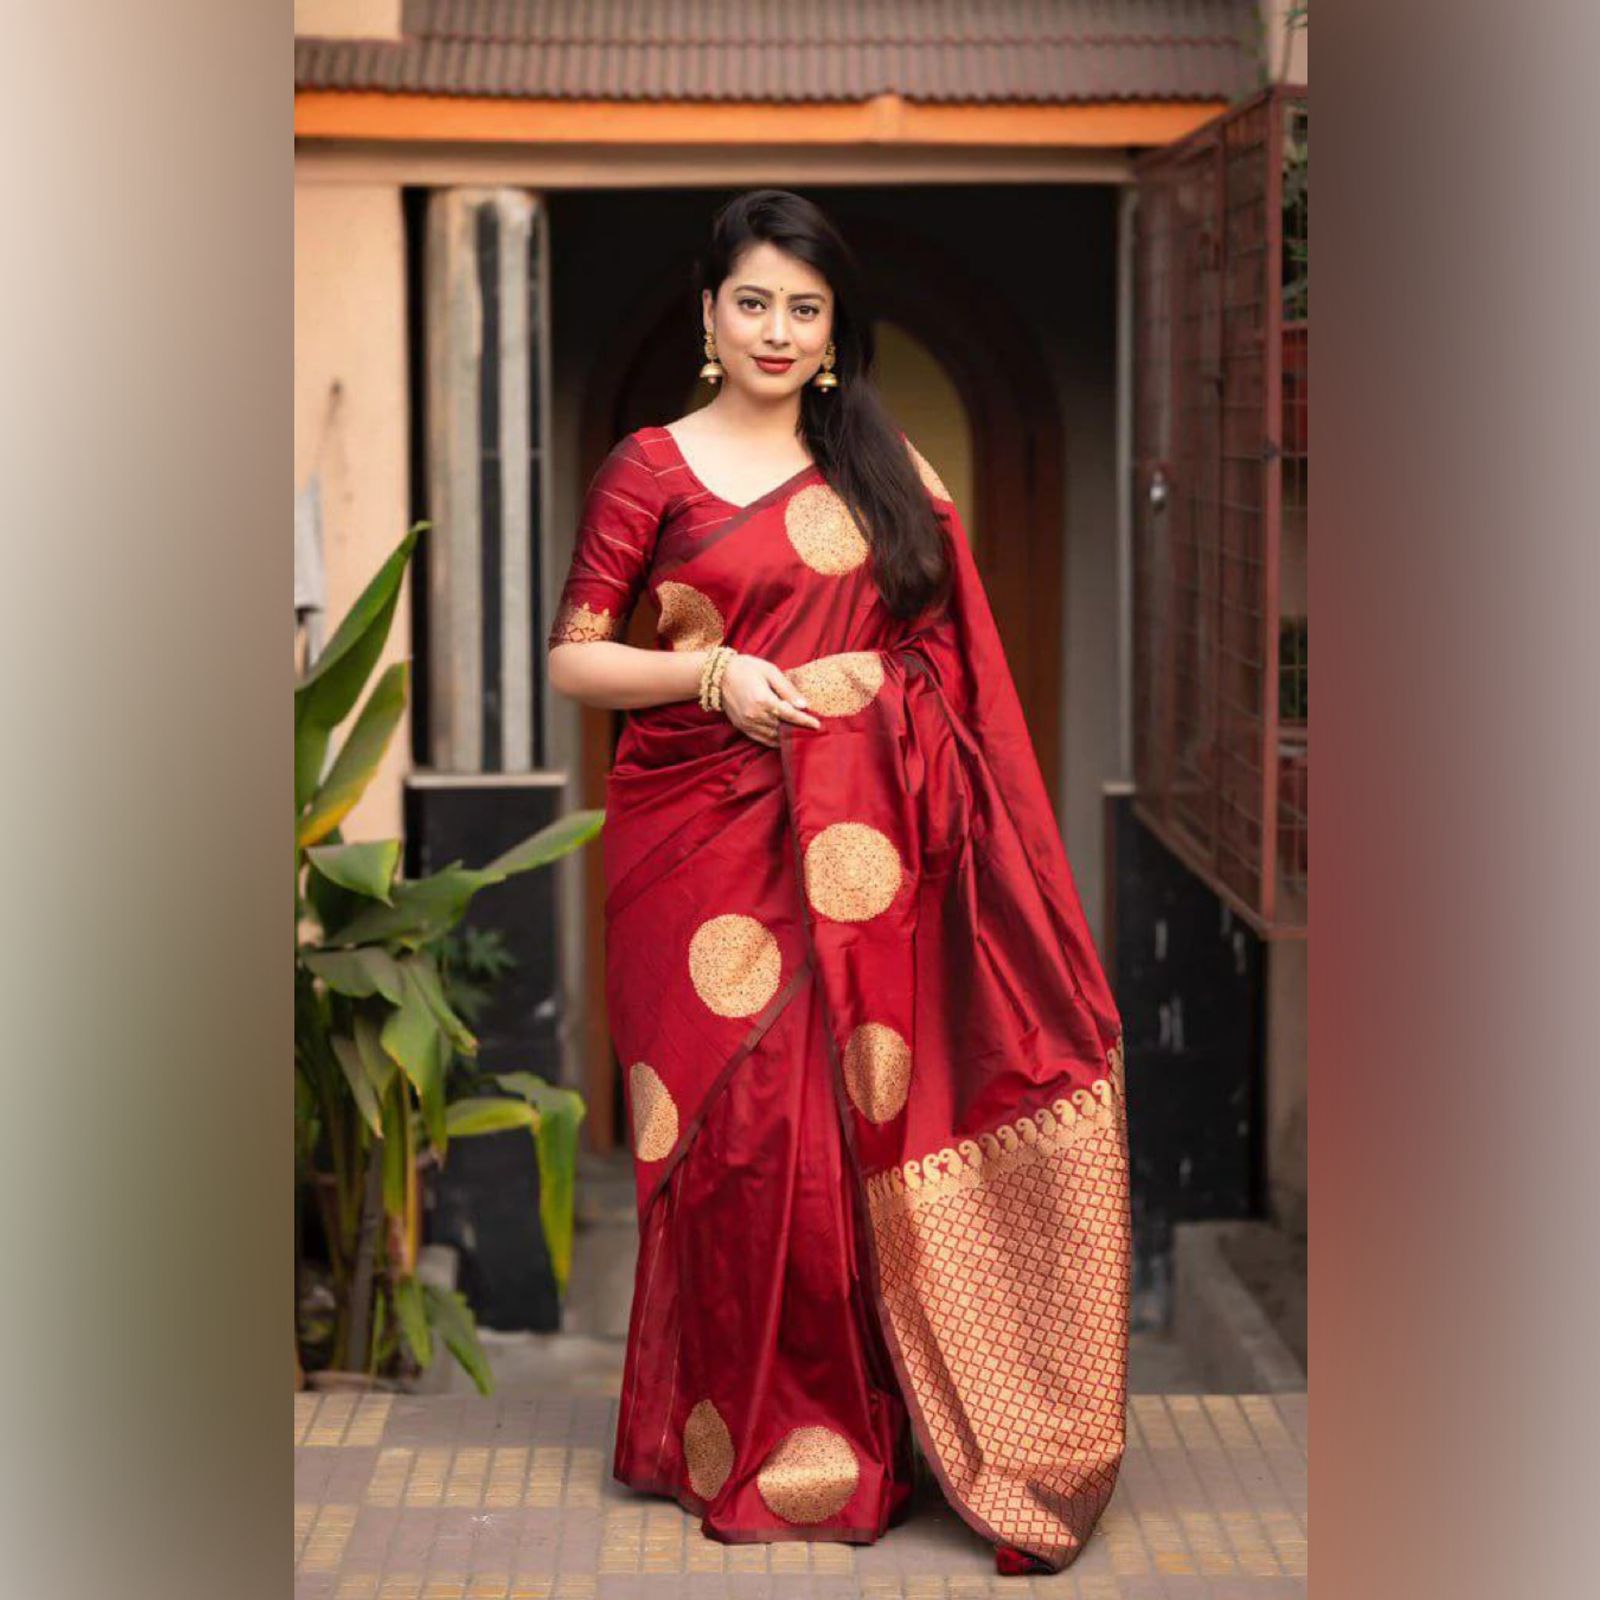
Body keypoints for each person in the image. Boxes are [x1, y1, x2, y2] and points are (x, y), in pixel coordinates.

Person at [546, 188, 1130, 1576]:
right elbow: (577, 654)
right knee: (734, 1149)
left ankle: (851, 1437)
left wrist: (865, 697)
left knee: (828, 1146)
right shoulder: (651, 467)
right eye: (751, 301)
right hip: (694, 847)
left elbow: (955, 663)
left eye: (804, 308)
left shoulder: (880, 463)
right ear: (707, 313)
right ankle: (711, 1434)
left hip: (862, 854)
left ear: (831, 331)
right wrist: (711, 672)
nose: (776, 329)